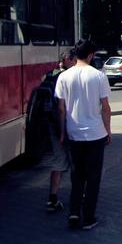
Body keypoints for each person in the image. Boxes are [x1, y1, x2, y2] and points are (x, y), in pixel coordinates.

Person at [55, 40, 112, 230]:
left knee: (77, 176)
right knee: (93, 177)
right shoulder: (98, 76)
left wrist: (63, 132)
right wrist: (108, 131)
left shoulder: (63, 77)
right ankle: (88, 218)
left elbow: (61, 109)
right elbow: (105, 108)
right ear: (90, 55)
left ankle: (73, 213)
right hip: (96, 134)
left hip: (74, 134)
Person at [45, 50, 76, 212]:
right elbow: (62, 109)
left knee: (58, 162)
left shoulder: (51, 77)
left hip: (54, 127)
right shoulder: (68, 78)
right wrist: (64, 131)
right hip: (67, 127)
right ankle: (78, 197)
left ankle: (52, 198)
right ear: (68, 60)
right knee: (75, 164)